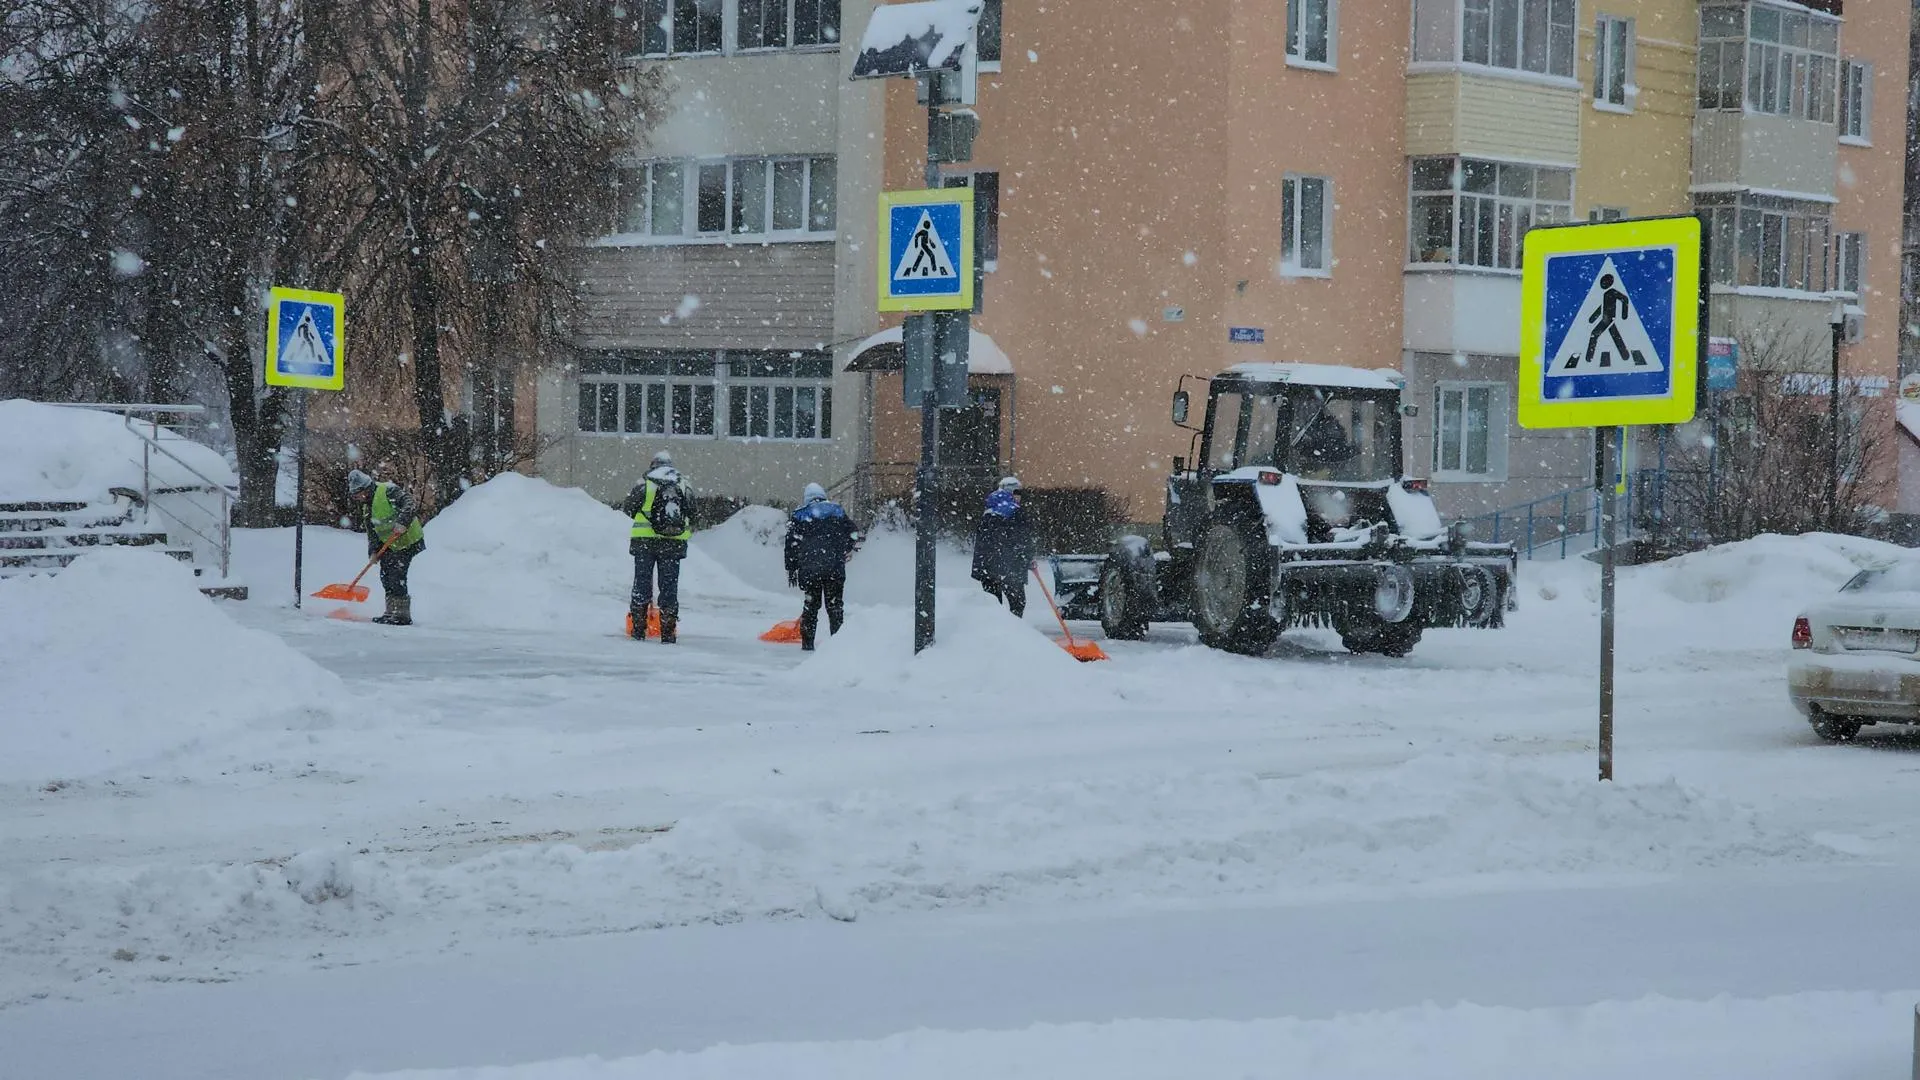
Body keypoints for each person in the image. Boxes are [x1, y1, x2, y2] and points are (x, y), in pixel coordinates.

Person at [621, 450, 692, 644]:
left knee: (642, 584)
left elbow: (628, 508)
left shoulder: (645, 483)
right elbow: (693, 511)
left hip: (645, 542)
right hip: (673, 542)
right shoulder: (683, 483)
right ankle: (668, 632)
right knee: (669, 586)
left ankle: (638, 630)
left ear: (653, 465)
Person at [783, 482, 862, 651]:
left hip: (810, 571)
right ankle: (838, 644)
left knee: (810, 607)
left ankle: (808, 644)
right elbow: (855, 533)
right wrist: (847, 548)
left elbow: (791, 545)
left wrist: (791, 568)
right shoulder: (838, 512)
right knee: (835, 607)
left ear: (807, 499)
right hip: (834, 569)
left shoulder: (799, 515)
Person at [346, 468, 425, 626]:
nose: (359, 498)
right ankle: (391, 612)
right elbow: (372, 532)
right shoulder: (366, 507)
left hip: (408, 540)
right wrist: (373, 552)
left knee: (396, 575)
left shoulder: (388, 490)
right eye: (355, 496)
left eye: (359, 494)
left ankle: (402, 615)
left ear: (366, 488)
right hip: (391, 543)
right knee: (386, 575)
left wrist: (402, 522)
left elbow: (409, 503)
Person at [971, 476, 1035, 618]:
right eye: (1018, 493)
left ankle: (994, 633)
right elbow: (1022, 539)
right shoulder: (1015, 512)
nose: (1019, 497)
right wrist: (1028, 556)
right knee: (1018, 603)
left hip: (987, 567)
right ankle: (1013, 633)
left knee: (993, 605)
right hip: (1009, 567)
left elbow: (984, 539)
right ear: (1011, 492)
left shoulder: (989, 510)